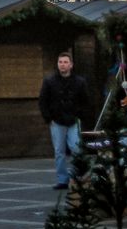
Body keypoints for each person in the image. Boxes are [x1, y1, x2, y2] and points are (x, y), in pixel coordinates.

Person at [38, 51, 90, 190]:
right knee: (59, 152)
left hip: (73, 120)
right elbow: (43, 101)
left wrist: (80, 115)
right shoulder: (49, 81)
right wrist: (48, 118)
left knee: (76, 148)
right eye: (60, 62)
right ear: (57, 64)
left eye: (65, 62)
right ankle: (62, 180)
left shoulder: (80, 82)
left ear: (71, 65)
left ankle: (77, 177)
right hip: (57, 120)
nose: (63, 65)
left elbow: (85, 101)